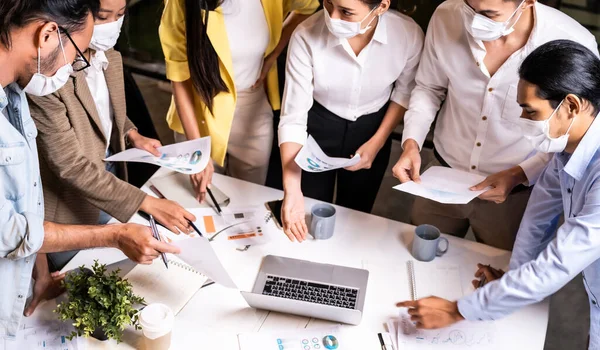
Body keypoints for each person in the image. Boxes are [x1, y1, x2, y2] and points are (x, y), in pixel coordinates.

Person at [397, 40, 600, 349]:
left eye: (532, 112)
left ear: (571, 106)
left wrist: (456, 310)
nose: (527, 123)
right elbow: (538, 217)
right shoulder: (566, 148)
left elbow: (558, 263)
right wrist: (513, 276)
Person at [0, 0, 179, 337]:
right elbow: (10, 231)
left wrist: (39, 266)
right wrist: (114, 234)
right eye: (77, 56)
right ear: (49, 34)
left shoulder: (14, 98)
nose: (72, 71)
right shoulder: (33, 87)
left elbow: (26, 196)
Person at [391, 0, 598, 250]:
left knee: (500, 273)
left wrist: (520, 173)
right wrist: (411, 143)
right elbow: (428, 87)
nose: (473, 20)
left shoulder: (572, 40)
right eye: (469, 8)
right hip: (441, 175)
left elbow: (577, 130)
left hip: (516, 193)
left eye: (489, 13)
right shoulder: (446, 15)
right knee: (417, 256)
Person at [27, 0, 196, 271]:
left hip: (112, 176)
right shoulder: (50, 75)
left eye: (120, 15)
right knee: (80, 276)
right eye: (104, 17)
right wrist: (145, 202)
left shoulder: (110, 56)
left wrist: (131, 133)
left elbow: (102, 110)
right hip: (70, 203)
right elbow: (70, 165)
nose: (113, 26)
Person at [279, 0, 423, 242]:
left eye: (346, 12)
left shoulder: (408, 34)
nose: (332, 17)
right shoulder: (305, 35)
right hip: (317, 125)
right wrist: (291, 190)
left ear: (382, 6)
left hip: (374, 128)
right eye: (328, 4)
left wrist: (377, 142)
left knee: (356, 213)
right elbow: (293, 118)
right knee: (309, 210)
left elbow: (404, 92)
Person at [159, 0, 319, 200]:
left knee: (248, 201)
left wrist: (273, 54)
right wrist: (196, 150)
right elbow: (179, 80)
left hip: (252, 110)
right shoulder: (179, 3)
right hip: (199, 111)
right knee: (201, 200)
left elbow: (308, 7)